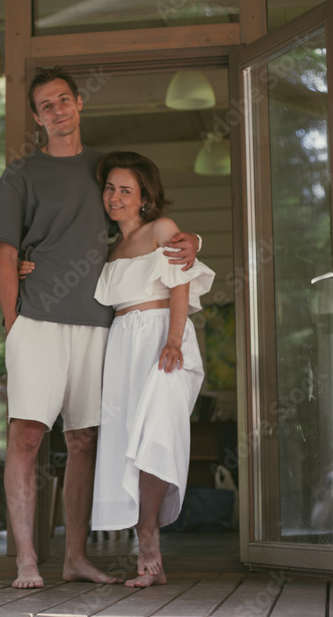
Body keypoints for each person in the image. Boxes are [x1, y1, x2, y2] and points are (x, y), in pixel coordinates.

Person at [0, 67, 201, 589]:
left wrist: (190, 240)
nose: (57, 110)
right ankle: (26, 560)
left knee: (84, 441)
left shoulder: (104, 172)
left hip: (100, 328)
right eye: (46, 106)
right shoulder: (21, 174)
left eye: (63, 100)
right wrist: (13, 324)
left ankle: (75, 558)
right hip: (37, 321)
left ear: (79, 103)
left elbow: (145, 230)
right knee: (27, 435)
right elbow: (6, 255)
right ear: (37, 118)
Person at [89, 150, 215, 587]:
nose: (115, 197)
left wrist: (174, 340)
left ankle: (147, 539)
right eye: (110, 188)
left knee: (158, 434)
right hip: (123, 345)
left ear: (144, 198)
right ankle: (149, 550)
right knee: (132, 439)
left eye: (126, 190)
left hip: (164, 339)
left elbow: (179, 285)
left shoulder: (161, 229)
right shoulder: (109, 249)